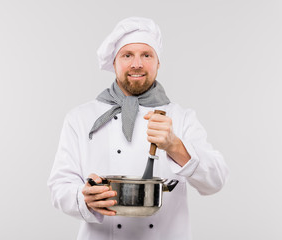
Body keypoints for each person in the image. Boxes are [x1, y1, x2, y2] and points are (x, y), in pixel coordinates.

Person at [48, 17, 229, 240]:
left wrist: (175, 146)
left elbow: (216, 181)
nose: (137, 64)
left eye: (146, 55)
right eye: (127, 55)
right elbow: (59, 187)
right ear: (114, 62)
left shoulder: (181, 118)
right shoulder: (80, 118)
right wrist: (84, 197)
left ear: (158, 62)